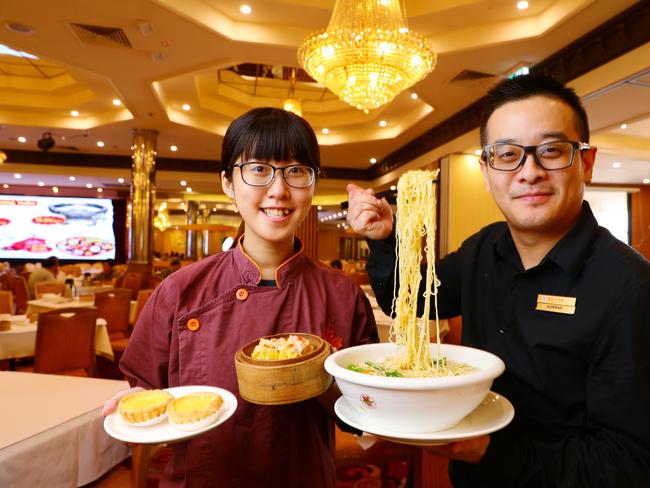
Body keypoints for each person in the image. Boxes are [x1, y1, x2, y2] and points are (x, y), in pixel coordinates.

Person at [346, 73, 650, 487]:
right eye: (507, 155)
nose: (529, 171)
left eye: (551, 150)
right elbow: (412, 301)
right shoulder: (484, 248)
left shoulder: (629, 288)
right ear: (487, 172)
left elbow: (628, 463)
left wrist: (488, 450)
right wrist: (385, 239)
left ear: (587, 162)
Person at [103, 107, 377, 488]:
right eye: (259, 169)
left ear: (313, 186)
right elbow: (146, 390)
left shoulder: (342, 293)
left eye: (296, 171)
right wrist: (132, 404)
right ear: (228, 183)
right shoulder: (181, 290)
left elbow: (363, 410)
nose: (279, 190)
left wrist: (320, 379)